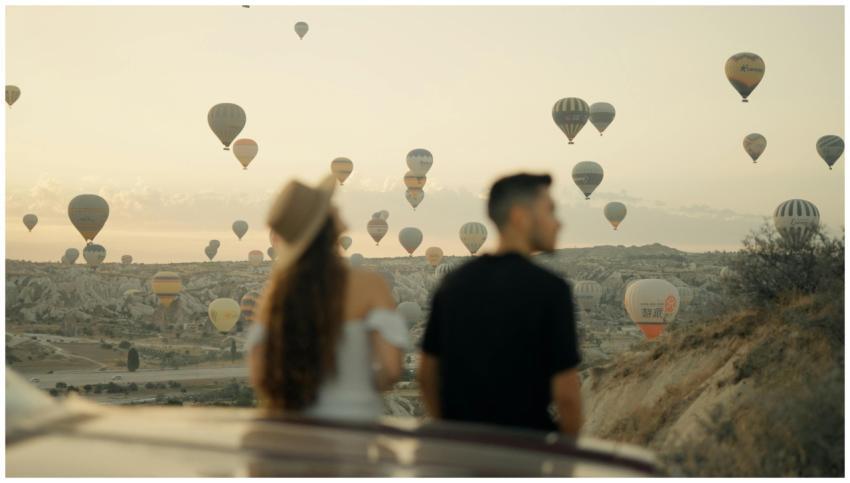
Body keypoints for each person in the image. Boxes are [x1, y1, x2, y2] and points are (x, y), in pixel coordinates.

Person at [418, 173, 582, 435]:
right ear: (519, 217)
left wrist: (449, 432)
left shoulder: (453, 284)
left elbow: (426, 376)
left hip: (460, 457)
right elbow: (567, 397)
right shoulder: (550, 289)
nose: (558, 223)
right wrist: (565, 458)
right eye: (549, 211)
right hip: (525, 454)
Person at [247, 175, 410, 421]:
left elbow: (260, 374)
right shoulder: (369, 285)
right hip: (353, 431)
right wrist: (355, 387)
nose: (337, 207)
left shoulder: (275, 296)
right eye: (331, 206)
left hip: (288, 431)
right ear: (326, 224)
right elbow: (391, 368)